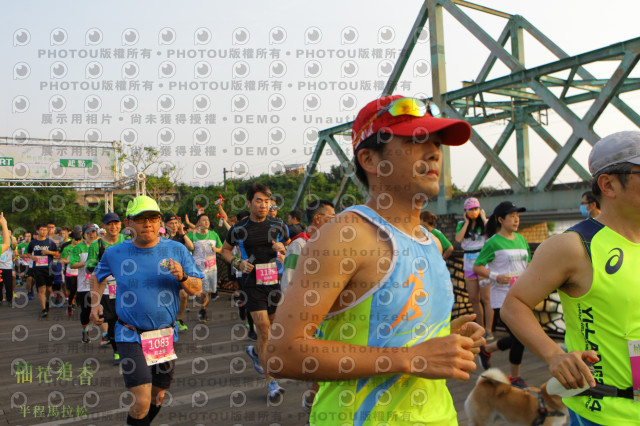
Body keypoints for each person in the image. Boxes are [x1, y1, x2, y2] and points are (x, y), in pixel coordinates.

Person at [267, 95, 483, 424]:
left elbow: (404, 341)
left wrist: (444, 341)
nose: (434, 152)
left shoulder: (430, 243)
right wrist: (409, 357)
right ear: (370, 159)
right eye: (415, 140)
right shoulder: (346, 236)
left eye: (437, 142)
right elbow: (282, 354)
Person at [502, 131, 640, 425]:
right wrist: (554, 355)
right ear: (609, 184)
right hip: (605, 413)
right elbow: (514, 304)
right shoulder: (574, 246)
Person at [91, 195, 203, 426]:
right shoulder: (114, 253)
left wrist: (182, 276)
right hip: (130, 334)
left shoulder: (176, 249)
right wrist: (94, 303)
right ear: (129, 223)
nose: (147, 224)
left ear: (160, 221)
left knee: (157, 397)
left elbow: (197, 288)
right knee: (141, 402)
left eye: (153, 218)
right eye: (141, 219)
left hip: (164, 336)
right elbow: (96, 277)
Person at [221, 183, 290, 401]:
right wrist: (237, 262)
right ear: (250, 202)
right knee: (263, 328)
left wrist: (283, 250)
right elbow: (225, 250)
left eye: (267, 201)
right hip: (251, 283)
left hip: (273, 283)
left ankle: (255, 351)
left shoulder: (278, 224)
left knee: (273, 330)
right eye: (258, 201)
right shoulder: (239, 228)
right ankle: (272, 382)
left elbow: (287, 249)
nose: (263, 205)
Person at [472, 201, 531, 388]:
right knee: (520, 337)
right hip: (503, 298)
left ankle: (487, 349)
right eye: (512, 216)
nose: (516, 219)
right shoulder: (492, 243)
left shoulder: (521, 239)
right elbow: (477, 267)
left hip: (522, 295)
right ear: (500, 219)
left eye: (518, 216)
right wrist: (496, 276)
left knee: (519, 336)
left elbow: (527, 265)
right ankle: (515, 377)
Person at [87, 213, 127, 364]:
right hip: (107, 287)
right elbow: (91, 269)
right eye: (109, 224)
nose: (113, 226)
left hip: (127, 287)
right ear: (103, 226)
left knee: (128, 318)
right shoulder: (96, 245)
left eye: (116, 223)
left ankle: (131, 348)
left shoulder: (127, 241)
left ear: (120, 225)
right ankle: (117, 351)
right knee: (112, 320)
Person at [454, 197, 492, 339]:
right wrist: (467, 222)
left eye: (476, 208)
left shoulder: (485, 224)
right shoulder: (461, 224)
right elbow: (458, 239)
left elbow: (492, 235)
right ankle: (480, 327)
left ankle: (489, 329)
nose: (473, 211)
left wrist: (484, 218)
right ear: (465, 211)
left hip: (482, 263)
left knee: (486, 298)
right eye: (470, 209)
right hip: (468, 263)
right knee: (474, 299)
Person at [281, 200, 335, 294]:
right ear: (317, 218)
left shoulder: (328, 246)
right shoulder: (299, 245)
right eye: (332, 218)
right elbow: (288, 280)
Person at [186, 213, 222, 322]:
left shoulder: (214, 234)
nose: (206, 222)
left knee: (209, 291)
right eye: (203, 220)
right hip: (198, 269)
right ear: (198, 223)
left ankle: (203, 308)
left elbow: (221, 248)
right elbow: (184, 245)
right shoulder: (192, 235)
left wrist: (217, 250)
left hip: (212, 268)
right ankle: (203, 309)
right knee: (203, 291)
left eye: (207, 220)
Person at [163, 213, 194, 331]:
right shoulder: (162, 238)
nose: (174, 225)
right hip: (166, 271)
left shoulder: (181, 237)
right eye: (171, 223)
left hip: (180, 271)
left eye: (176, 223)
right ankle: (168, 320)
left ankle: (179, 319)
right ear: (165, 225)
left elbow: (191, 247)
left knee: (183, 295)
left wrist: (183, 234)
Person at [70, 223, 99, 342]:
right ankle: (85, 331)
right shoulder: (78, 248)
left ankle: (107, 334)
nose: (91, 235)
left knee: (102, 310)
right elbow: (73, 264)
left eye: (93, 232)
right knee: (86, 311)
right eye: (88, 232)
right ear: (83, 234)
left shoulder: (100, 245)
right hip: (84, 285)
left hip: (99, 285)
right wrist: (86, 264)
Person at [27, 223, 59, 317]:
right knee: (41, 288)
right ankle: (44, 309)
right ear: (37, 231)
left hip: (48, 268)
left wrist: (48, 252)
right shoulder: (33, 243)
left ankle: (47, 300)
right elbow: (28, 253)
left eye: (45, 230)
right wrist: (32, 257)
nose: (44, 231)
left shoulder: (50, 242)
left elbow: (57, 254)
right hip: (38, 268)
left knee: (49, 289)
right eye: (41, 229)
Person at [60, 229, 81, 316]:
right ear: (72, 239)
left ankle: (77, 302)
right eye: (76, 239)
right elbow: (62, 260)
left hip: (80, 271)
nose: (78, 241)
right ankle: (70, 304)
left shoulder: (81, 247)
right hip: (71, 271)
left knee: (79, 289)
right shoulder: (67, 248)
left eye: (79, 239)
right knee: (73, 290)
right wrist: (70, 262)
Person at [0, 213, 16, 305]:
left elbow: (14, 246)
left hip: (7, 266)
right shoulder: (1, 240)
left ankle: (9, 299)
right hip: (0, 266)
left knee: (8, 284)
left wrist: (11, 237)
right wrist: (3, 224)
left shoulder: (11, 240)